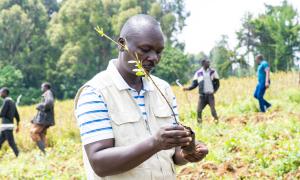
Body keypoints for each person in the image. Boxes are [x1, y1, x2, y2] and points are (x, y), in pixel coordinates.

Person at [74, 14, 208, 180]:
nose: (153, 58)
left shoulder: (163, 90)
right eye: (145, 50)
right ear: (121, 44)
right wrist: (155, 143)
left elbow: (173, 156)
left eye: (159, 52)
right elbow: (100, 164)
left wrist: (189, 151)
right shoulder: (95, 93)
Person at [183, 59, 220, 124]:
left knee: (213, 110)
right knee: (199, 110)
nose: (209, 63)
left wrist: (214, 91)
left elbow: (217, 83)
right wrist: (187, 88)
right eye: (207, 62)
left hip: (210, 95)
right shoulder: (198, 73)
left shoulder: (213, 72)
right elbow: (194, 85)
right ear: (203, 64)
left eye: (209, 62)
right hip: (202, 96)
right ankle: (199, 125)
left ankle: (216, 122)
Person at [30, 82, 55, 154]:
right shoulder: (48, 93)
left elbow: (49, 103)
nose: (41, 88)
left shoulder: (48, 92)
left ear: (46, 87)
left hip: (44, 118)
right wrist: (34, 119)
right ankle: (45, 153)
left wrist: (39, 105)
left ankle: (44, 152)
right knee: (41, 134)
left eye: (42, 87)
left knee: (33, 132)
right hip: (44, 118)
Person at [0, 87, 20, 157]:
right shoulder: (12, 101)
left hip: (6, 125)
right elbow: (17, 115)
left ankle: (18, 155)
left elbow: (2, 114)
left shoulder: (6, 101)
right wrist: (18, 125)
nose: (0, 94)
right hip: (9, 125)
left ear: (5, 93)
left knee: (11, 142)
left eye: (1, 92)